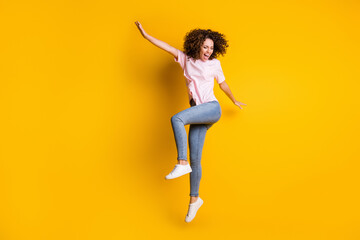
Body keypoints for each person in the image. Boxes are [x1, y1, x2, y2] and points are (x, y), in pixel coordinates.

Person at [135, 21, 246, 222]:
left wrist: (234, 99)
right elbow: (166, 47)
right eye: (205, 47)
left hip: (212, 108)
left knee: (177, 118)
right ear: (197, 45)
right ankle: (194, 200)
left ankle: (181, 162)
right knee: (197, 160)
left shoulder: (215, 64)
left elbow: (223, 84)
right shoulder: (186, 60)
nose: (209, 51)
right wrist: (146, 36)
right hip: (199, 113)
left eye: (212, 48)